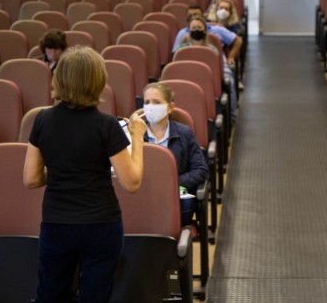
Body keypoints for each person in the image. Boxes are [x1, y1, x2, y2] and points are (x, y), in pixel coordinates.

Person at [23, 46, 147, 302]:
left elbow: (31, 179)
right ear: (98, 81)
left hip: (57, 222)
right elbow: (132, 182)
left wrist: (62, 172)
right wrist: (136, 137)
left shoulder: (42, 120)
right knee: (95, 295)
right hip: (101, 224)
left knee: (50, 294)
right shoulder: (107, 126)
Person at [140, 82, 208, 225]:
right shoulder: (135, 135)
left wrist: (172, 183)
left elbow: (200, 170)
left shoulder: (185, 133)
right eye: (147, 102)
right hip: (144, 193)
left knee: (186, 204)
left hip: (177, 190)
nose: (150, 106)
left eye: (156, 102)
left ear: (170, 107)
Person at [178, 15, 238, 123]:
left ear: (205, 30)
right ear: (189, 30)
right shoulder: (182, 49)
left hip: (209, 81)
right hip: (189, 79)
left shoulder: (212, 49)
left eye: (199, 28)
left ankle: (232, 116)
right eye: (193, 28)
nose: (196, 30)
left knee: (230, 80)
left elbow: (216, 70)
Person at [171, 4, 242, 68]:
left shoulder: (217, 30)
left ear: (202, 16)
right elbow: (176, 55)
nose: (193, 17)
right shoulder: (182, 33)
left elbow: (237, 40)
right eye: (190, 15)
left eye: (196, 15)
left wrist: (230, 57)